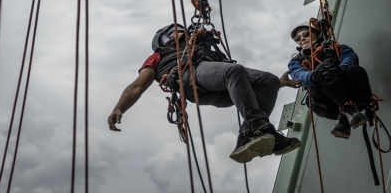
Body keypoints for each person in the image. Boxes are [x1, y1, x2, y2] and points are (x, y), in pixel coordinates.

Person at [107, 23, 302, 163]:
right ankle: (261, 128)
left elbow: (239, 79)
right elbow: (137, 86)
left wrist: (279, 83)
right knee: (234, 70)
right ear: (164, 40)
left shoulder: (201, 46)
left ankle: (247, 136)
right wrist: (119, 108)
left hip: (224, 87)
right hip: (192, 81)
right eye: (173, 32)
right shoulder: (157, 56)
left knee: (268, 80)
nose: (180, 31)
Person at [287, 20, 372, 139]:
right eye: (297, 38)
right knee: (323, 70)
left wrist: (341, 69)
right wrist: (314, 76)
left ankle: (345, 117)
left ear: (317, 33)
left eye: (306, 34)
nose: (301, 38)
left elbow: (350, 57)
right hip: (325, 104)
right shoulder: (296, 61)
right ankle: (348, 110)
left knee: (355, 71)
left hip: (356, 97)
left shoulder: (337, 48)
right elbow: (297, 74)